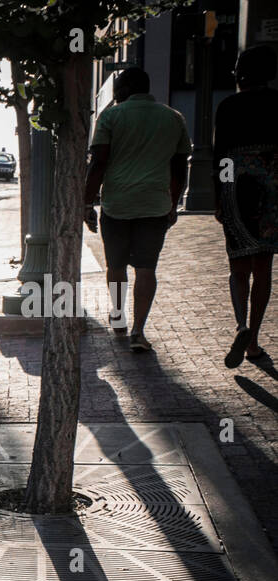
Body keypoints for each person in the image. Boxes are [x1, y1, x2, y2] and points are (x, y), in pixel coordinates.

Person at [83, 67, 192, 352]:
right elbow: (180, 169)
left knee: (116, 266)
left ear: (122, 90)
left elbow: (99, 163)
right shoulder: (173, 118)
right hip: (155, 205)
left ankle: (118, 315)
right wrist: (173, 202)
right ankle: (138, 331)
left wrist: (87, 202)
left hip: (117, 203)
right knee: (147, 269)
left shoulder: (110, 117)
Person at [217, 46, 278, 368]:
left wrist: (220, 198)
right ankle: (253, 340)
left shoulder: (229, 107)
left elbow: (221, 157)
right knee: (263, 269)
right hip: (271, 194)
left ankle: (240, 324)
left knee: (238, 267)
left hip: (236, 190)